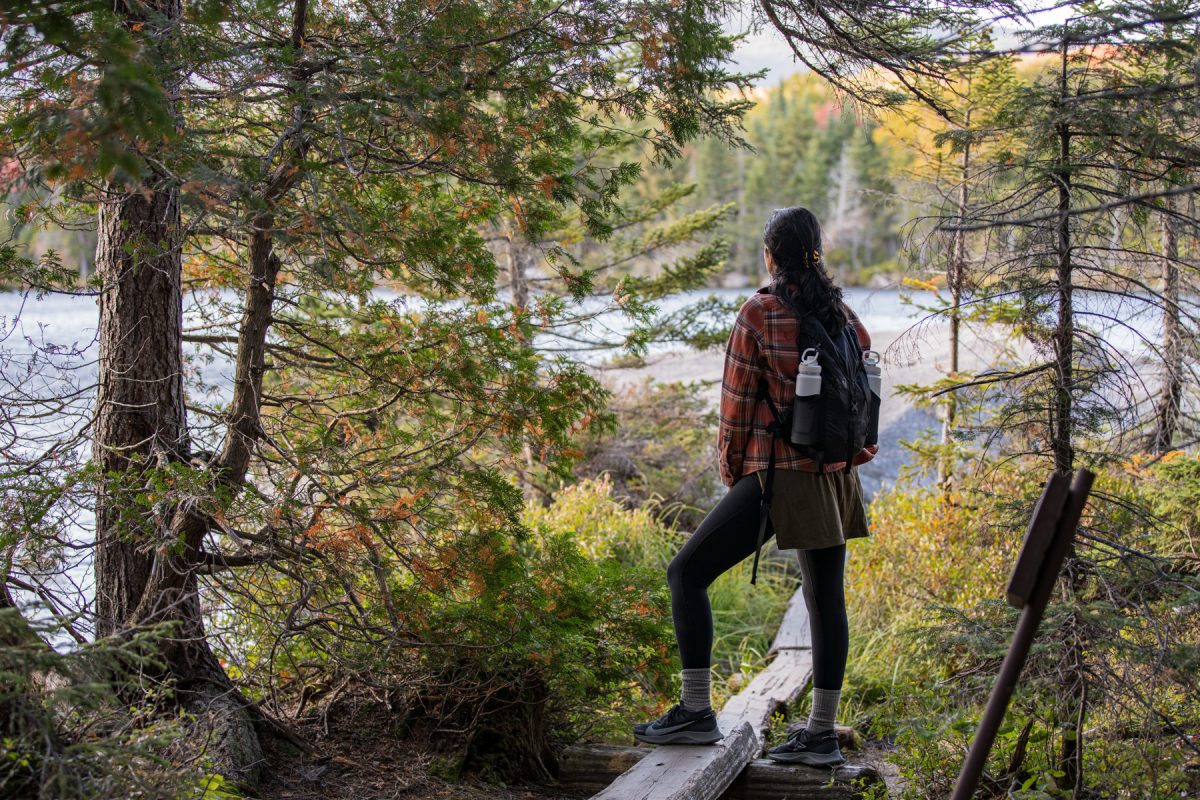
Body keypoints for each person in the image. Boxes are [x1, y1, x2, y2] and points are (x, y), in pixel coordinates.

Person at [632, 207, 878, 767]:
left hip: (776, 475)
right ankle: (820, 734)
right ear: (815, 252)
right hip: (836, 478)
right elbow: (865, 406)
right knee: (824, 598)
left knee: (686, 573)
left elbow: (736, 409)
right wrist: (849, 460)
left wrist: (733, 472)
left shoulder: (759, 313)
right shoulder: (844, 315)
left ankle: (696, 712)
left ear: (771, 255)